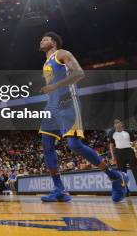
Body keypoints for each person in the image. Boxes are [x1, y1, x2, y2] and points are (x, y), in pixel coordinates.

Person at [38, 32, 127, 203]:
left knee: (74, 144)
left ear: (54, 43)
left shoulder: (62, 54)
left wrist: (55, 85)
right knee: (46, 143)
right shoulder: (45, 63)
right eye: (41, 39)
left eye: (46, 39)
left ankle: (116, 177)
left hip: (68, 103)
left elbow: (79, 74)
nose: (42, 41)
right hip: (53, 107)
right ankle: (59, 189)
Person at [108, 119, 137, 196]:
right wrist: (113, 156)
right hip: (119, 153)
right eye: (115, 123)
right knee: (122, 174)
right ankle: (126, 191)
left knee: (136, 171)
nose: (116, 125)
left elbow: (136, 142)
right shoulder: (112, 133)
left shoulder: (128, 131)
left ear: (121, 124)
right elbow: (111, 145)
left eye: (117, 123)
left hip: (129, 152)